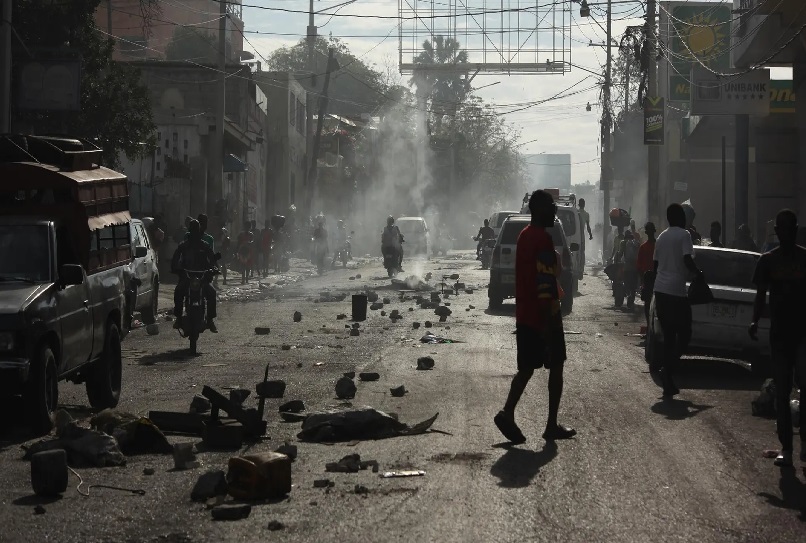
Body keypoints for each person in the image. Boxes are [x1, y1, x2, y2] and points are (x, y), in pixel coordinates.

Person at [493, 190, 576, 444]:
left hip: (526, 313)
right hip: (544, 313)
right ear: (540, 210)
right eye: (551, 207)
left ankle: (508, 412)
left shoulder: (525, 236)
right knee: (556, 366)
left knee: (527, 368)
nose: (555, 211)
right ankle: (550, 424)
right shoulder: (541, 239)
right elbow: (545, 281)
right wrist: (548, 324)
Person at [749, 209, 806, 467]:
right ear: (778, 231)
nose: (785, 233)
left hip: (802, 335)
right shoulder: (768, 261)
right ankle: (787, 448)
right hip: (780, 337)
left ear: (794, 230)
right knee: (782, 394)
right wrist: (754, 320)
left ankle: (803, 446)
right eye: (781, 229)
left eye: (789, 228)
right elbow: (760, 295)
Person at [652, 203, 702, 397]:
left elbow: (655, 266)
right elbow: (687, 260)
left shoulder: (662, 237)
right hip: (676, 292)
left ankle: (668, 379)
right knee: (685, 332)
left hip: (661, 291)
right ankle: (669, 368)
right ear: (680, 218)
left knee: (669, 336)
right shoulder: (684, 235)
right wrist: (698, 275)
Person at [171, 220, 218, 333]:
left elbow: (212, 259)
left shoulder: (205, 245)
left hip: (202, 278)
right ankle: (178, 318)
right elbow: (175, 258)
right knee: (178, 291)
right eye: (193, 230)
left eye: (196, 230)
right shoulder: (184, 246)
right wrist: (175, 269)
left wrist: (214, 269)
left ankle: (210, 320)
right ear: (190, 231)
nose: (195, 233)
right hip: (187, 277)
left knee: (212, 293)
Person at [636, 222, 657, 327]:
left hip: (657, 278)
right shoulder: (643, 247)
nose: (649, 232)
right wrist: (642, 281)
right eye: (648, 230)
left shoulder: (658, 246)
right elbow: (639, 266)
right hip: (648, 279)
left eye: (650, 230)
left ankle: (653, 325)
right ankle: (649, 325)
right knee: (648, 304)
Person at [621, 230, 641, 309]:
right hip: (635, 268)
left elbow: (621, 254)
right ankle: (631, 299)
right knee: (633, 286)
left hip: (627, 268)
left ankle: (629, 296)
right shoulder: (637, 244)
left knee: (627, 284)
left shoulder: (624, 243)